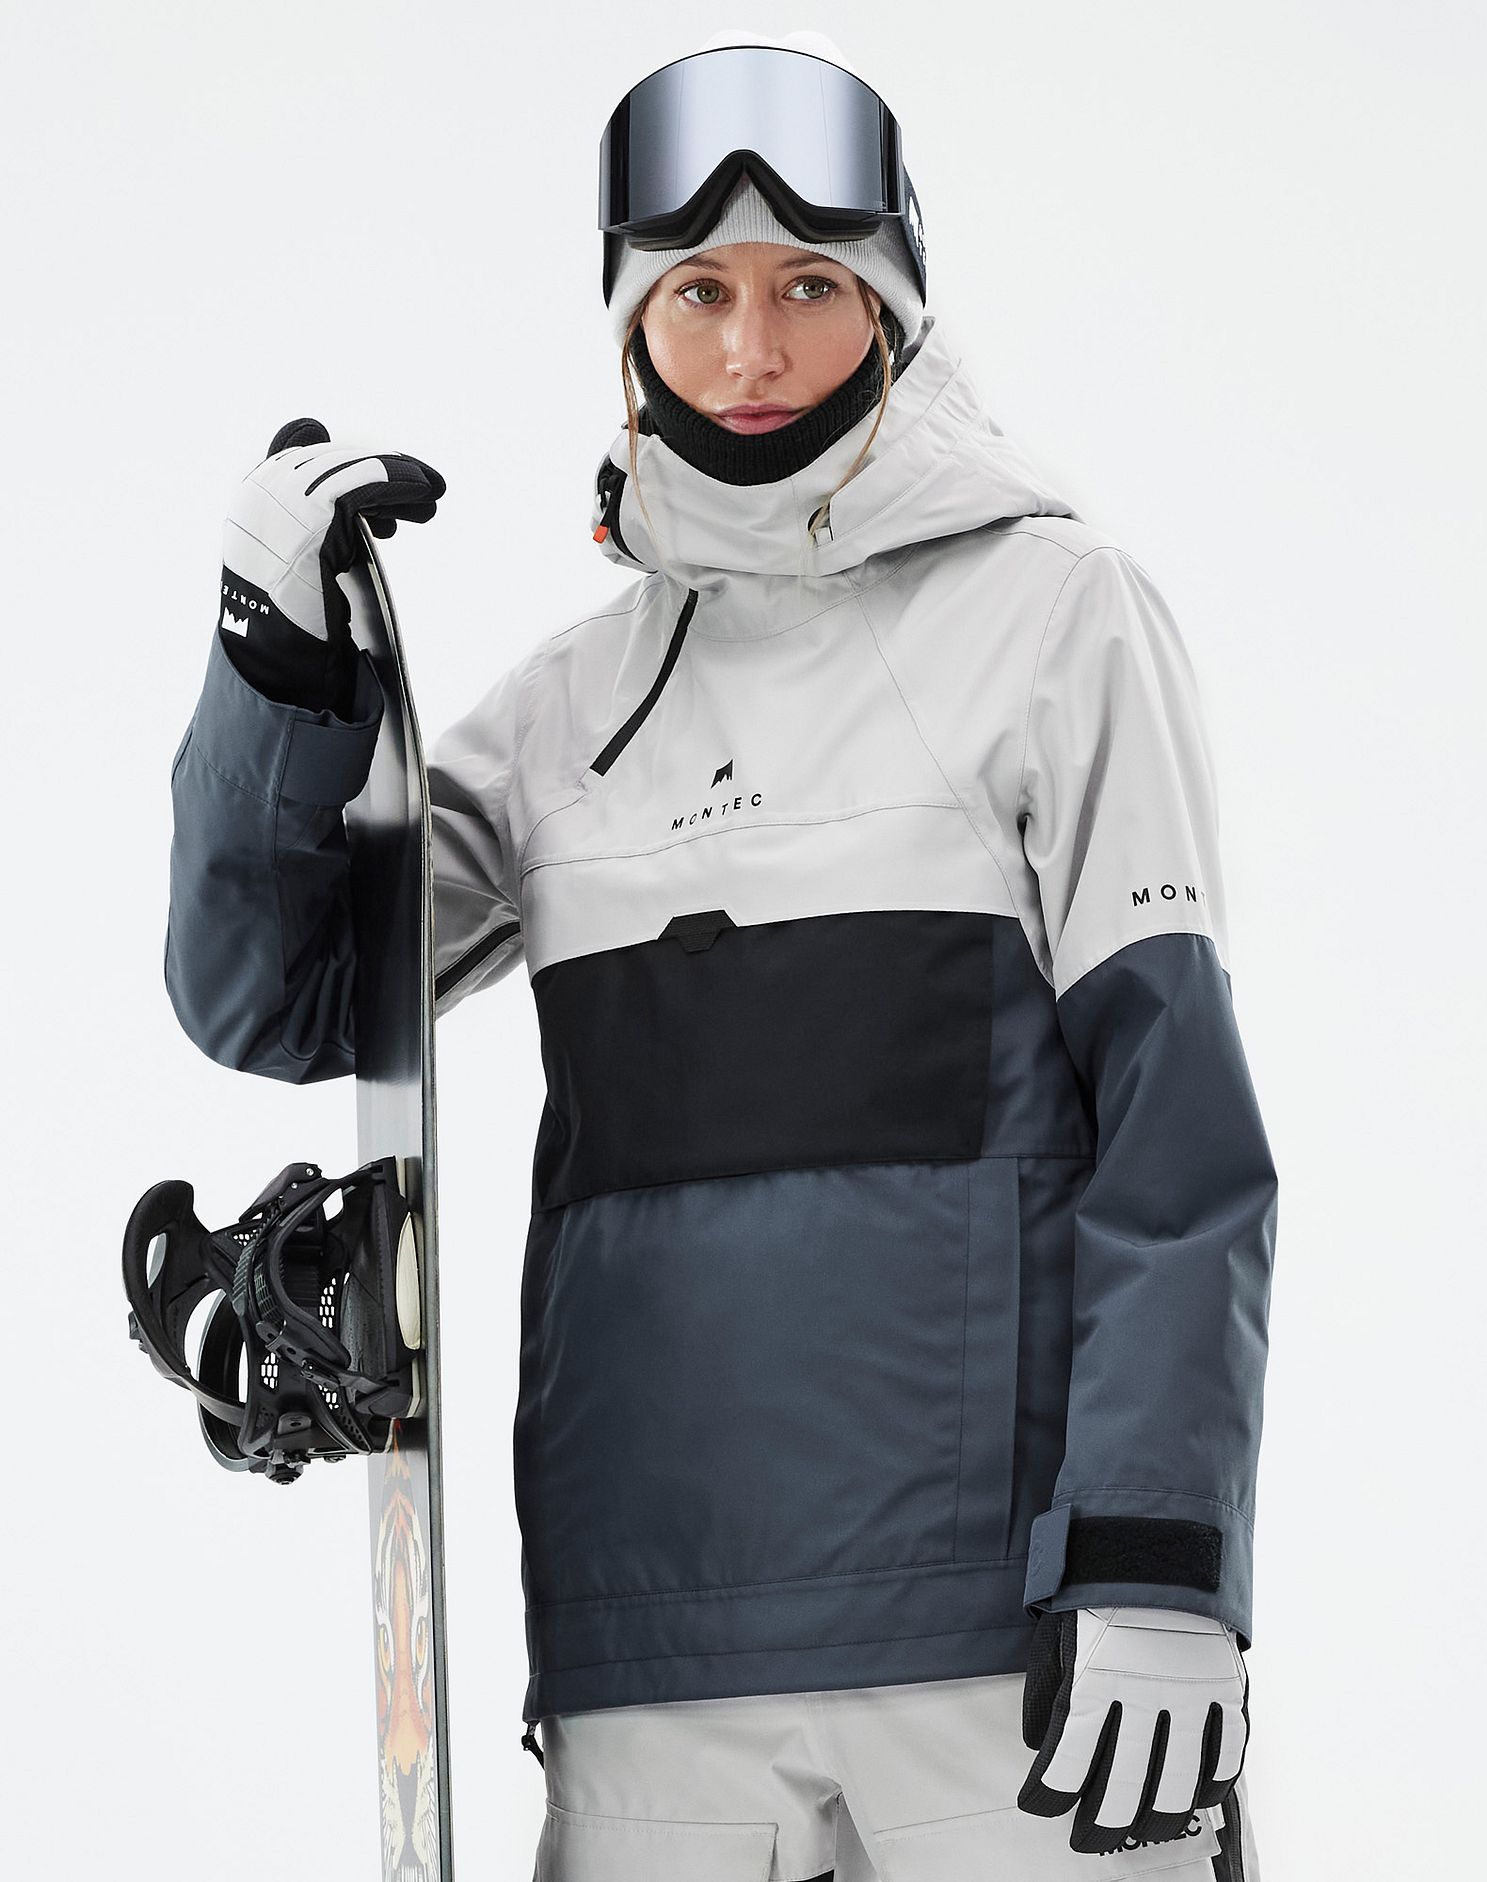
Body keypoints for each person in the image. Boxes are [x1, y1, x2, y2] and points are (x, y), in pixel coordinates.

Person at [165, 30, 1275, 1882]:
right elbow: (274, 999)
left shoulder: (1058, 618)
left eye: (808, 288)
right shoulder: (569, 711)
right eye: (696, 295)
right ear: (631, 331)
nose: (752, 351)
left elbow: (1179, 1130)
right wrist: (272, 676)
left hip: (997, 1647)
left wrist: (1161, 1555)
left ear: (892, 310)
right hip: (649, 1651)